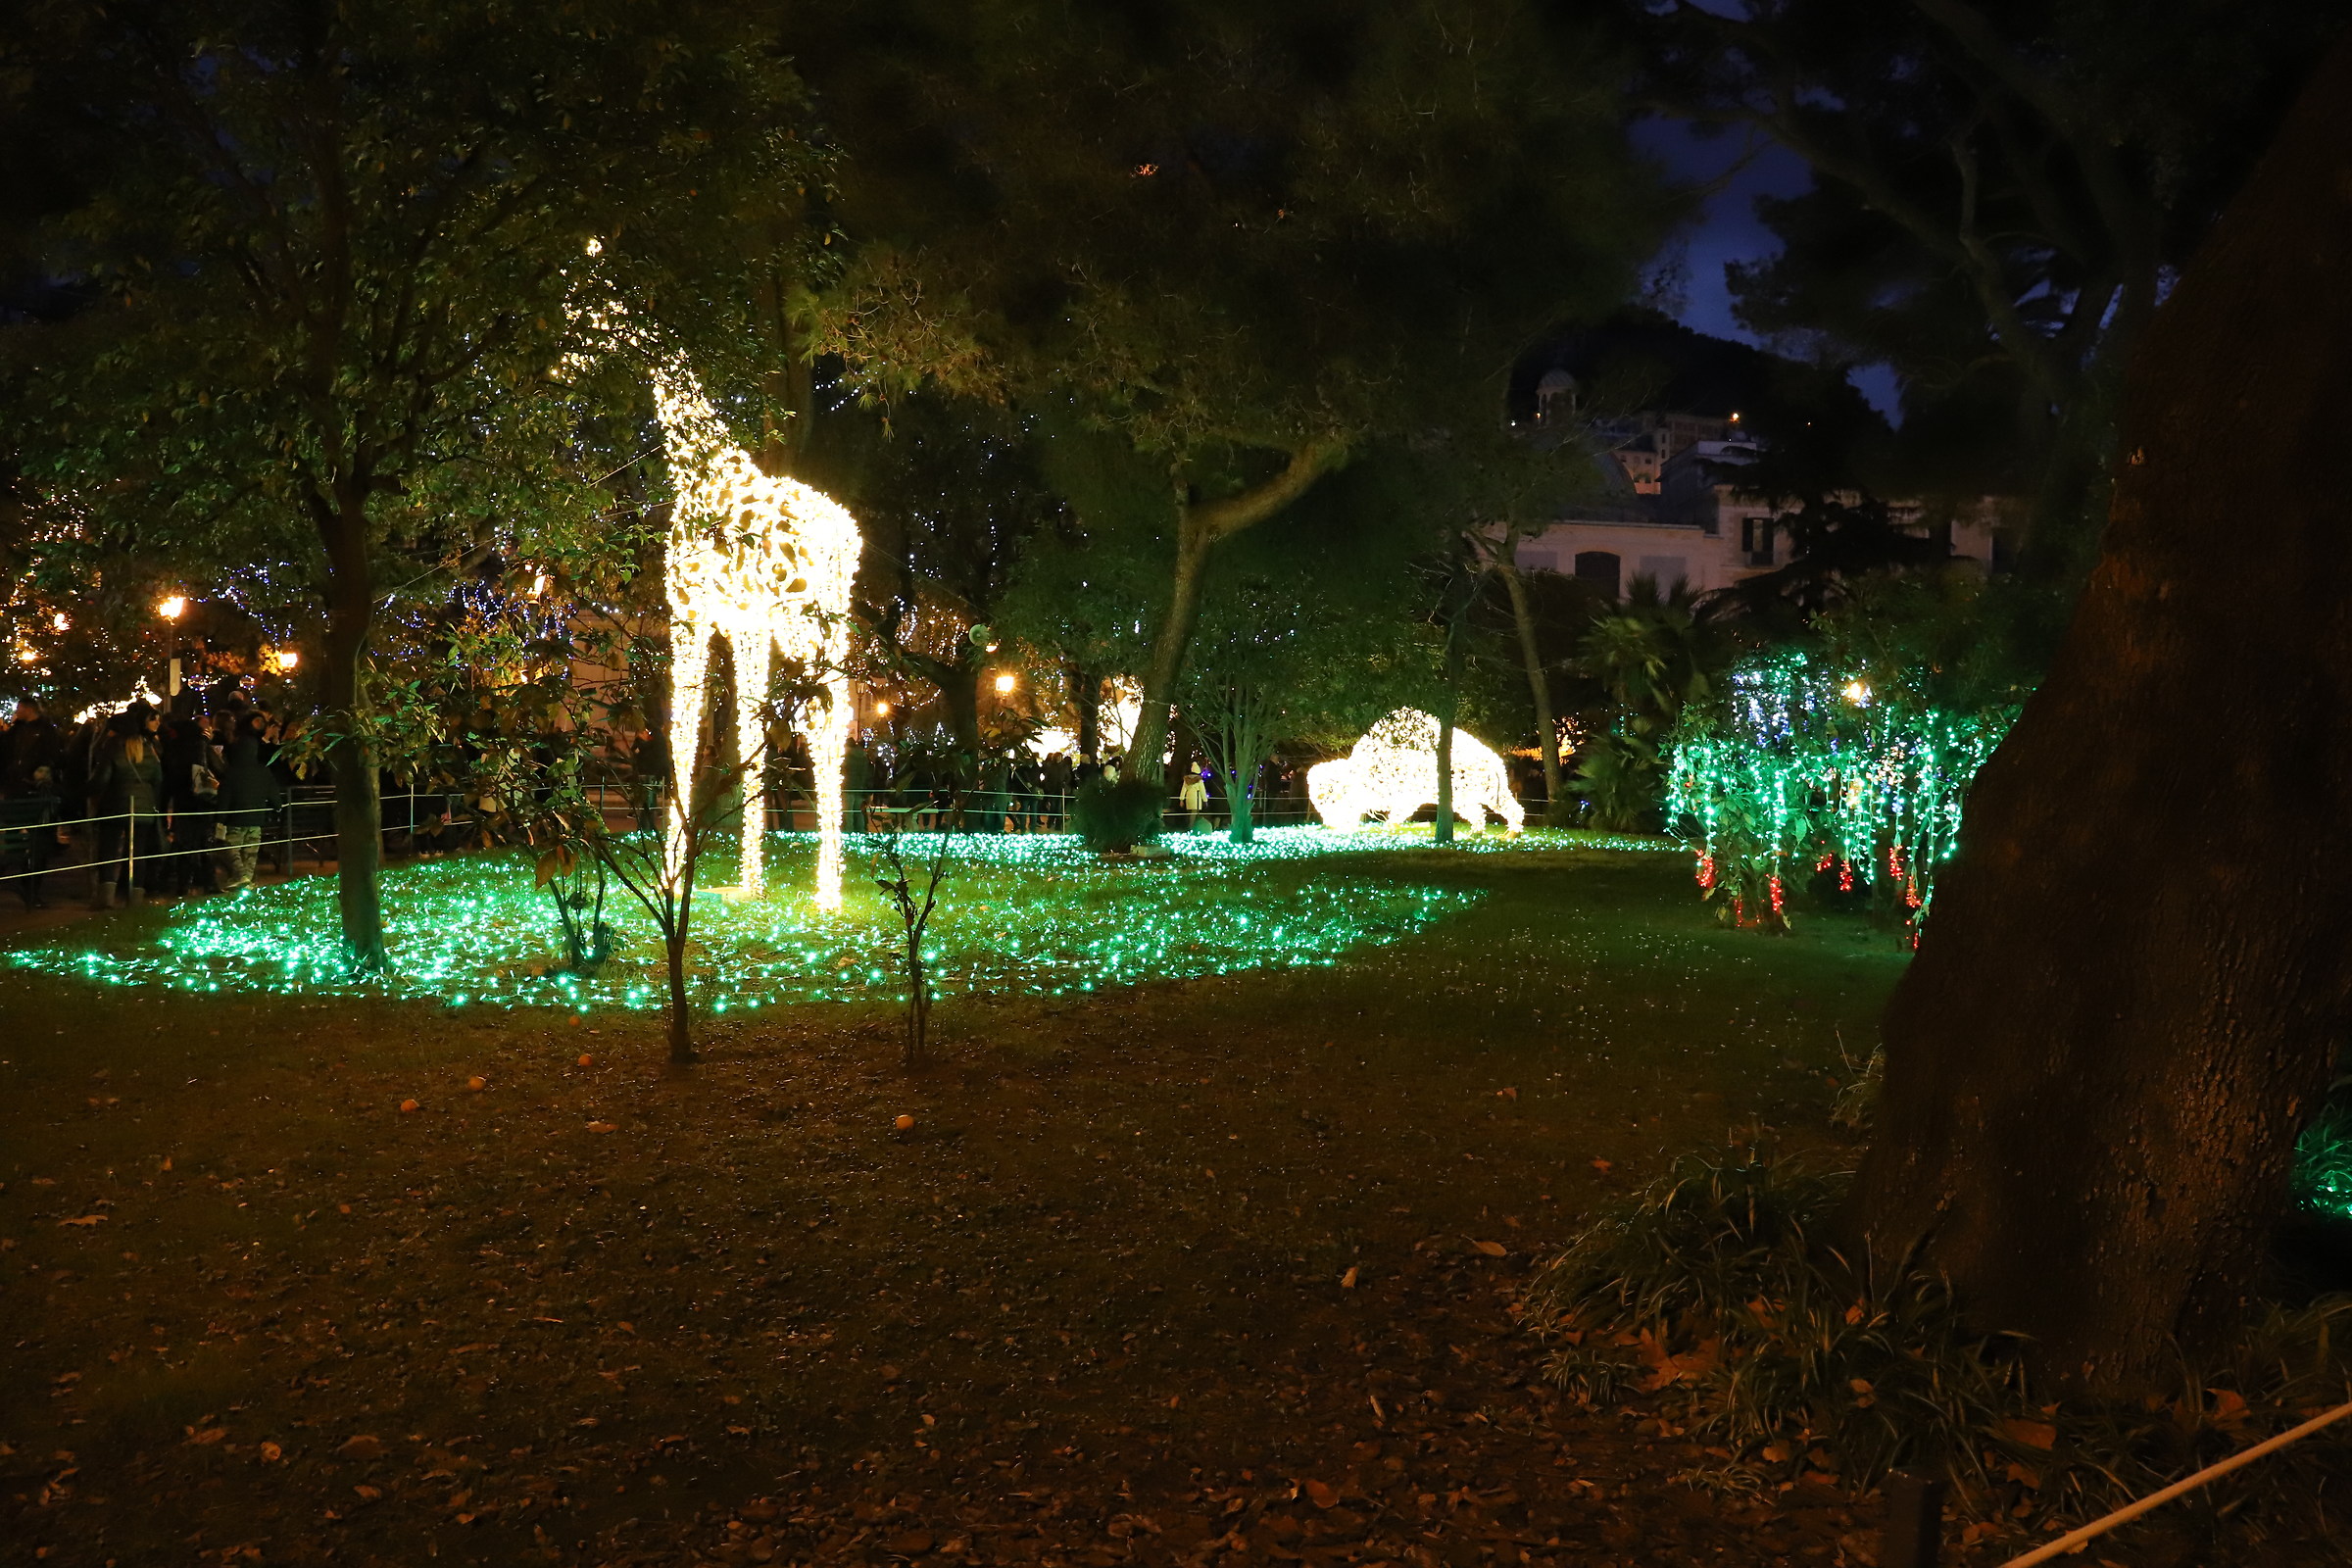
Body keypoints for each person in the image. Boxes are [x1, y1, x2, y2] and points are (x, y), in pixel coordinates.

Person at [88, 719, 165, 907]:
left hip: (115, 806)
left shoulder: (113, 749)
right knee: (137, 852)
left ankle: (105, 898)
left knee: (108, 850)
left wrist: (86, 791)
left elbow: (101, 779)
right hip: (144, 807)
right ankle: (135, 898)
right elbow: (158, 779)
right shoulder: (148, 751)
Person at [1, 697, 66, 907]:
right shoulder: (16, 732)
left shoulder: (46, 732)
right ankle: (24, 885)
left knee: (37, 840)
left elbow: (53, 757)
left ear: (29, 709)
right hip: (16, 790)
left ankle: (31, 887)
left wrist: (38, 775)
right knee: (13, 838)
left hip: (35, 792)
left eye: (19, 708)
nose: (16, 712)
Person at [215, 710, 285, 892]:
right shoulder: (263, 771)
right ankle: (247, 880)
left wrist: (220, 820)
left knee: (231, 849)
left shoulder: (232, 773)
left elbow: (225, 797)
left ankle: (241, 876)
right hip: (256, 820)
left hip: (237, 819)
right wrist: (278, 806)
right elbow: (274, 795)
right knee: (251, 853)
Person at [1179, 766, 1209, 831]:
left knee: (1190, 813)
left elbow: (1183, 790)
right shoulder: (1199, 780)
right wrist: (1205, 800)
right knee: (1194, 813)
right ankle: (1191, 827)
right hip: (1196, 798)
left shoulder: (1186, 780)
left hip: (1188, 798)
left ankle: (1189, 826)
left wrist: (1181, 800)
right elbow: (1202, 791)